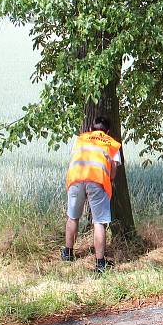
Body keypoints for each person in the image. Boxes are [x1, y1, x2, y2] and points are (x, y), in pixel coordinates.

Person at [61, 116, 122, 273]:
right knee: (99, 222)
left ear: (90, 129)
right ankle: (100, 263)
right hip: (97, 181)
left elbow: (75, 157)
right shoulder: (111, 143)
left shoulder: (80, 139)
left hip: (76, 178)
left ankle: (68, 253)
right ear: (107, 131)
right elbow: (113, 174)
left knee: (73, 217)